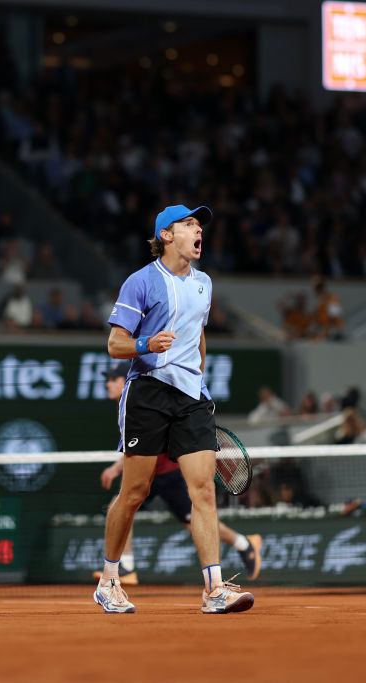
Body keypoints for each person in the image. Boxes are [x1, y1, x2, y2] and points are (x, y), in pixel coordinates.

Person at [95, 203, 254, 615]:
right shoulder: (141, 282)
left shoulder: (204, 284)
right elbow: (116, 344)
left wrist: (198, 380)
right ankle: (109, 580)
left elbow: (198, 337)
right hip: (147, 392)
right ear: (167, 235)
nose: (198, 230)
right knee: (134, 493)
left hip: (191, 398)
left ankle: (214, 589)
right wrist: (148, 344)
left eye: (200, 224)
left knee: (202, 490)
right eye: (188, 224)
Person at [97, 362, 262, 586]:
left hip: (170, 474)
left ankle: (243, 545)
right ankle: (126, 566)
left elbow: (151, 440)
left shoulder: (148, 397)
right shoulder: (130, 403)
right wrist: (118, 467)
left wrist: (117, 468)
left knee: (193, 521)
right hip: (151, 473)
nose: (108, 384)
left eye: (113, 379)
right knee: (122, 503)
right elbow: (138, 446)